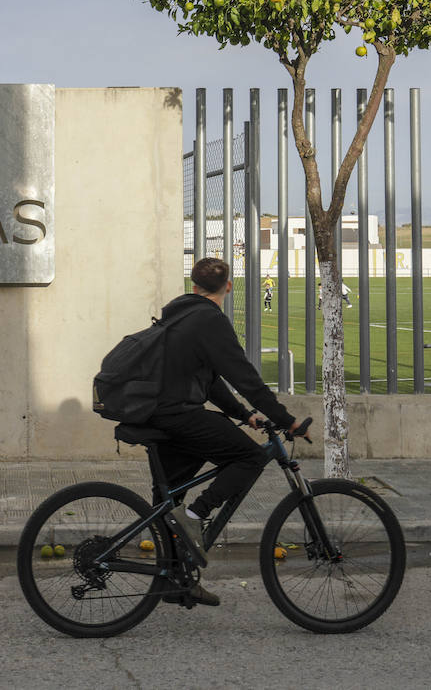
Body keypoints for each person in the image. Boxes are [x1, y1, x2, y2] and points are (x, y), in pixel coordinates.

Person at [152, 256, 307, 606]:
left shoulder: (178, 314)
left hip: (159, 414)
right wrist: (286, 420)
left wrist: (243, 413)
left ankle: (175, 581)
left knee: (168, 497)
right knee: (250, 456)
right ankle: (196, 515)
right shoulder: (210, 320)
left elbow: (208, 380)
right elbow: (245, 378)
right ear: (229, 286)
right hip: (178, 416)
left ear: (193, 286)